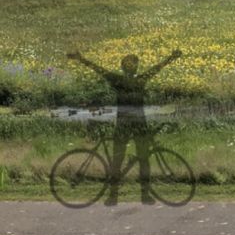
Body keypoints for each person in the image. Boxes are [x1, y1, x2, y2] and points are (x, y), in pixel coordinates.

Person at [66, 49, 182, 205]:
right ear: (135, 68)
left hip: (126, 125)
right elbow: (156, 68)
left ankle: (114, 196)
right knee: (140, 159)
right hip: (138, 125)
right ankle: (142, 195)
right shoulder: (139, 80)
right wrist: (171, 58)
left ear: (123, 68)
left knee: (119, 160)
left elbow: (99, 70)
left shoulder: (119, 80)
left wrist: (81, 59)